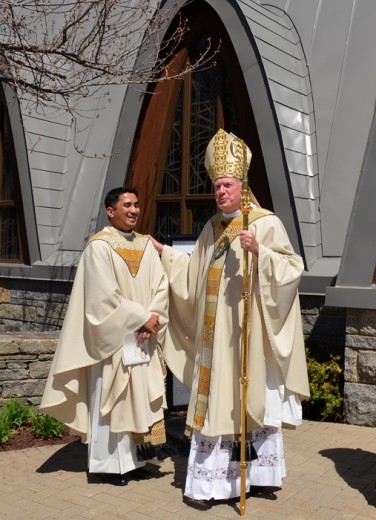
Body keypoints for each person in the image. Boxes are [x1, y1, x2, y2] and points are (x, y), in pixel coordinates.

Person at [149, 129, 310, 502]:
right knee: (218, 403)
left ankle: (259, 476)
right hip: (216, 340)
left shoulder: (265, 223)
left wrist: (261, 254)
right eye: (217, 186)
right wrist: (166, 254)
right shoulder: (211, 228)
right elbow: (193, 274)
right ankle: (213, 484)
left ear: (242, 184)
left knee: (251, 400)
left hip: (249, 338)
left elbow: (292, 269)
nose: (220, 191)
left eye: (227, 185)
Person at [40, 186, 172, 486]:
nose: (134, 210)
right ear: (110, 211)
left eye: (137, 204)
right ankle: (106, 465)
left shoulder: (147, 245)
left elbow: (161, 286)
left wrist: (153, 318)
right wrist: (142, 318)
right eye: (126, 205)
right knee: (112, 399)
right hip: (114, 339)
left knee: (138, 397)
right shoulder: (99, 247)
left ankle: (135, 459)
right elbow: (102, 297)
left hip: (141, 339)